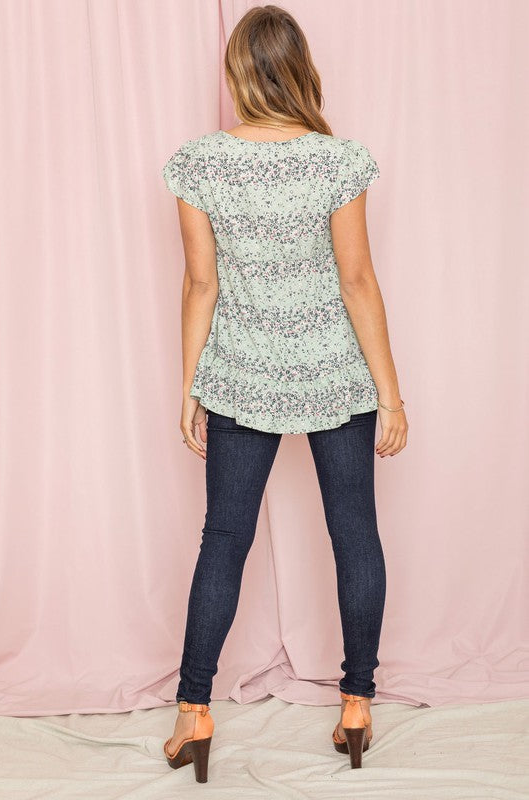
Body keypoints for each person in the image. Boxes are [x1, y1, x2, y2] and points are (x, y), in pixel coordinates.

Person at [161, 4, 408, 782]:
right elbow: (357, 279)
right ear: (300, 69)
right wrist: (392, 396)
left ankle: (194, 712)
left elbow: (201, 281)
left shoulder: (200, 161)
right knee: (354, 534)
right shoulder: (338, 161)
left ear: (236, 72)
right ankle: (357, 702)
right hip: (335, 369)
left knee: (222, 542)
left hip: (240, 370)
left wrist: (189, 384)